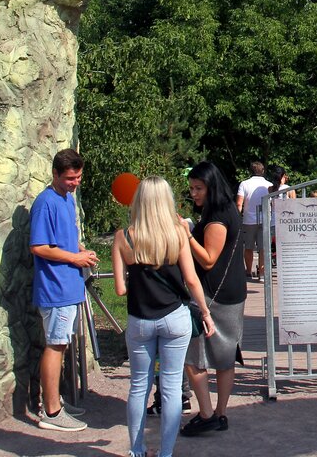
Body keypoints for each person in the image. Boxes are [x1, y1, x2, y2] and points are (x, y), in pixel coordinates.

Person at [112, 175, 215, 457]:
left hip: (140, 319)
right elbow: (191, 280)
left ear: (139, 201)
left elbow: (120, 289)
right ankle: (166, 452)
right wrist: (205, 313)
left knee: (138, 386)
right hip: (174, 318)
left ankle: (137, 450)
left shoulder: (123, 237)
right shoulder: (178, 233)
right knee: (170, 388)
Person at [30, 148, 99, 432]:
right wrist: (74, 258)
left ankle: (54, 400)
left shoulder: (67, 199)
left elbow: (64, 238)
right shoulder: (45, 203)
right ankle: (51, 412)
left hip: (69, 286)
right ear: (55, 174)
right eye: (70, 178)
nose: (75, 183)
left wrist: (82, 251)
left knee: (61, 344)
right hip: (55, 288)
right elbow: (39, 246)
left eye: (78, 177)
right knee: (55, 345)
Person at [180, 161, 247, 437]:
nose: (193, 193)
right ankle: (220, 414)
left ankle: (207, 414)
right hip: (232, 290)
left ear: (211, 186)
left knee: (192, 356)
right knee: (225, 356)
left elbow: (208, 259)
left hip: (213, 294)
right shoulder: (227, 207)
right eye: (191, 188)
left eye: (198, 188)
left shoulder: (217, 216)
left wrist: (186, 235)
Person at [237, 161, 272, 281]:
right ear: (263, 171)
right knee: (263, 247)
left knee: (248, 247)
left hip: (248, 220)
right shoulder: (269, 185)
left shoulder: (244, 184)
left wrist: (237, 218)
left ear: (250, 171)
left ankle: (248, 271)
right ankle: (262, 274)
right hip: (265, 220)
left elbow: (239, 203)